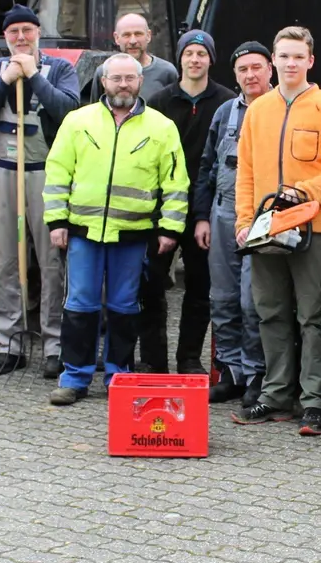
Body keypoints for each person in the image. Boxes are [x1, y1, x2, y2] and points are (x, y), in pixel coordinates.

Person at [43, 53, 188, 405]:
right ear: (103, 82)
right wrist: (57, 221)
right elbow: (58, 174)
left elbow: (175, 184)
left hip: (133, 235)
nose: (123, 84)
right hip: (83, 233)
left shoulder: (161, 127)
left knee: (125, 308)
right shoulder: (78, 121)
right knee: (79, 306)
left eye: (130, 78)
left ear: (141, 82)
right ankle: (74, 377)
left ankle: (118, 376)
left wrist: (170, 229)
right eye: (116, 78)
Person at [231, 26, 321, 436]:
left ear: (310, 61)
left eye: (297, 56)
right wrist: (244, 222)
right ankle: (275, 395)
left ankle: (315, 401)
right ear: (274, 61)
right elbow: (245, 172)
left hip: (312, 229)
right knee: (270, 314)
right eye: (283, 57)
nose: (290, 63)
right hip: (266, 231)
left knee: (312, 317)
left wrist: (306, 192)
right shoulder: (258, 110)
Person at [0, 4, 81, 377]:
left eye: (27, 31)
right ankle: (10, 343)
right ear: (5, 37)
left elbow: (67, 110)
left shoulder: (59, 69)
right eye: (13, 32)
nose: (20, 37)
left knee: (51, 262)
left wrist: (32, 75)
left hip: (46, 174)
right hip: (5, 175)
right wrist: (5, 80)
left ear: (37, 33)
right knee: (7, 261)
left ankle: (53, 345)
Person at [141, 29, 236, 374]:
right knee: (149, 284)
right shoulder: (159, 102)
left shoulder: (226, 104)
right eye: (188, 54)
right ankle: (153, 359)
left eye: (201, 54)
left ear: (211, 59)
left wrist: (203, 214)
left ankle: (189, 358)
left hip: (204, 211)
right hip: (161, 209)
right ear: (179, 58)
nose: (195, 60)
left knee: (199, 287)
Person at [193, 41, 273, 405]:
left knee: (251, 302)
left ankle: (256, 373)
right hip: (223, 214)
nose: (250, 75)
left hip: (263, 218)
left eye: (256, 67)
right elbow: (207, 167)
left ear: (270, 69)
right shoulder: (225, 112)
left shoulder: (280, 110)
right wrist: (201, 217)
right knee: (222, 299)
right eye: (243, 70)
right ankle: (228, 372)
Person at [86, 13, 178, 102]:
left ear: (148, 36)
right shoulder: (103, 72)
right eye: (126, 35)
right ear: (117, 38)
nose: (133, 41)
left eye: (138, 34)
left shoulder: (167, 72)